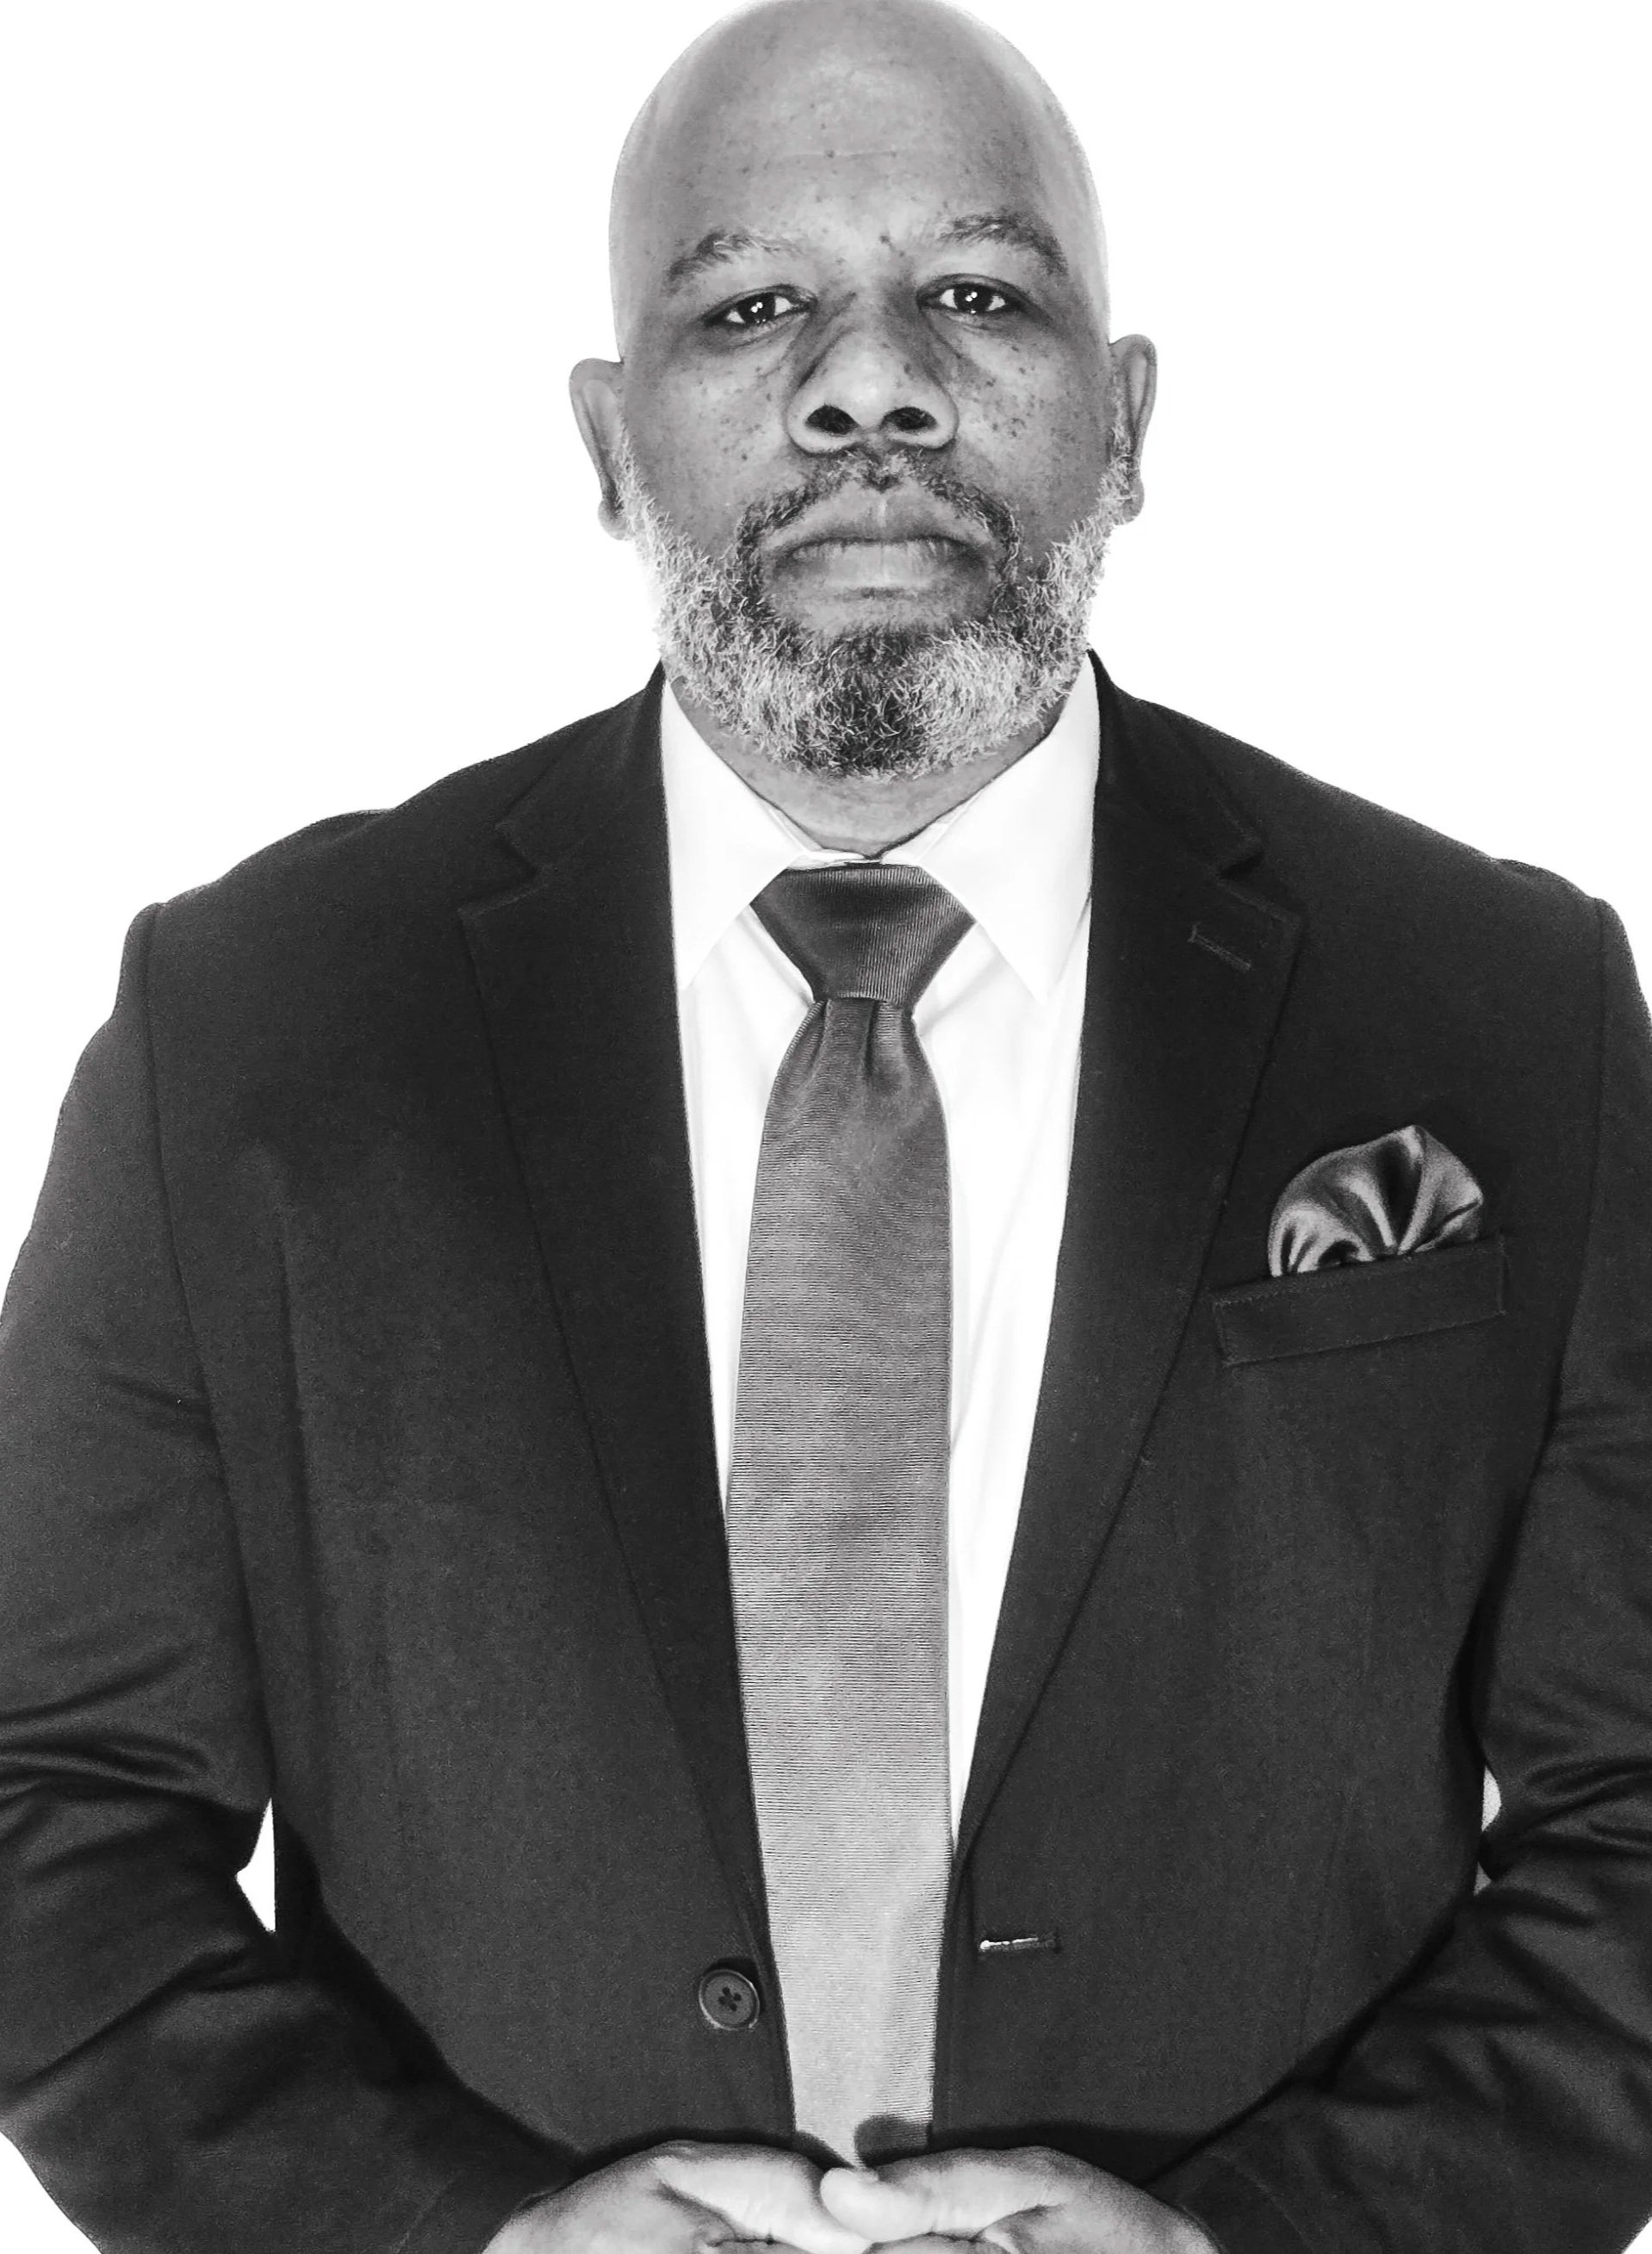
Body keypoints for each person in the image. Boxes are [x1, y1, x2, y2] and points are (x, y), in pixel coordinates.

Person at [3, 2, 1651, 2251]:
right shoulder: (256, 1031)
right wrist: (447, 2239)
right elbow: (55, 1803)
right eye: (751, 307)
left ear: (1128, 419)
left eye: (977, 292)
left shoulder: (1501, 1010)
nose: (871, 382)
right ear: (609, 441)